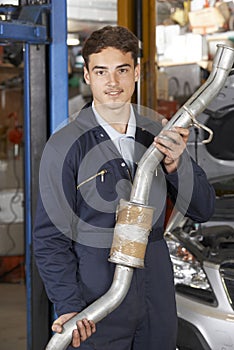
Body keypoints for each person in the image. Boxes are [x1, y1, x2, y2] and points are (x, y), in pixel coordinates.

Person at [33, 25, 215, 350]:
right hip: (96, 298)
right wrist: (69, 305)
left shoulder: (157, 133)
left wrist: (177, 164)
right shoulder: (64, 146)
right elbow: (50, 240)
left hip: (155, 291)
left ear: (137, 72)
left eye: (122, 70)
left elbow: (203, 208)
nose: (112, 83)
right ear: (87, 76)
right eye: (101, 71)